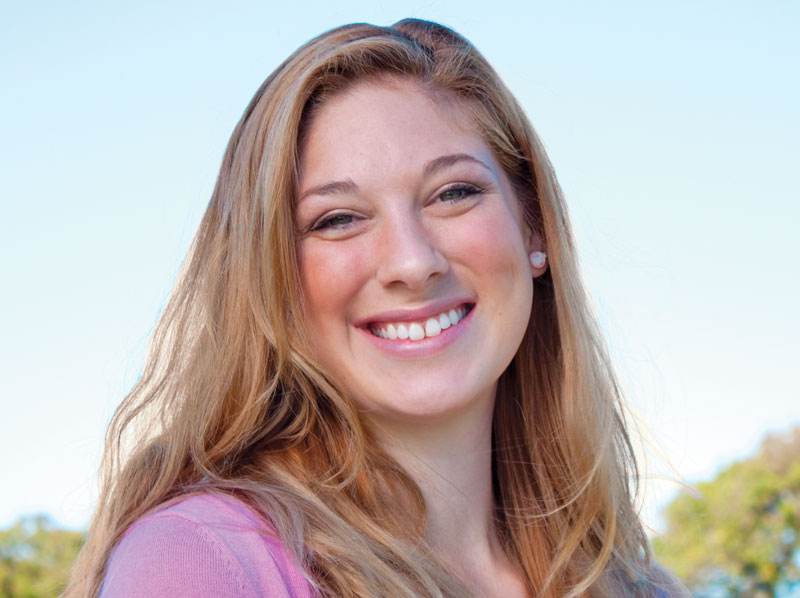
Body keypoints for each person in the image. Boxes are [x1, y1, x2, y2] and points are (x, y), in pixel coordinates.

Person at [65, 19, 688, 598]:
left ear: (534, 229)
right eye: (337, 219)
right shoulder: (203, 562)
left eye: (454, 193)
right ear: (270, 277)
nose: (413, 263)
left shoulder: (634, 585)